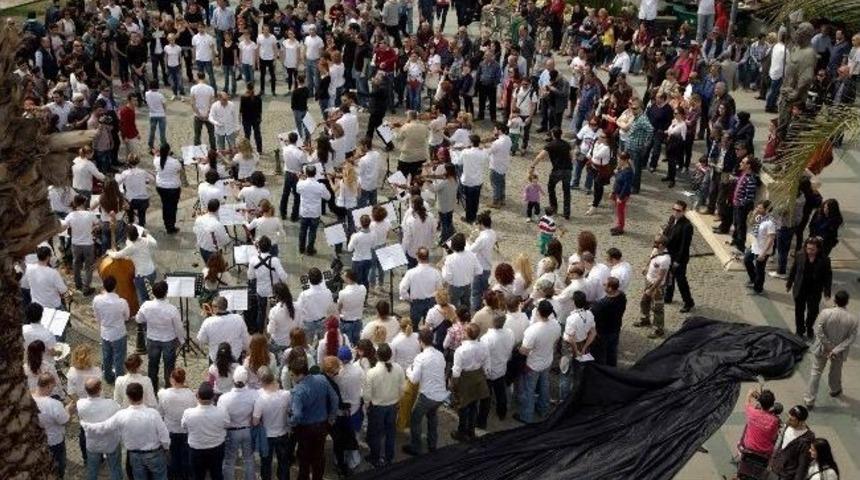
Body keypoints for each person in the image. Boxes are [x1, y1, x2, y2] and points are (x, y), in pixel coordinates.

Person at [82, 382, 171, 480]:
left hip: (135, 456)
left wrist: (86, 425)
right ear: (142, 395)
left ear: (128, 397)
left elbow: (103, 427)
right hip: (154, 453)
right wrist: (166, 448)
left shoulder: (122, 415)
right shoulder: (154, 414)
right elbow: (164, 435)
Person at [288, 355, 339, 480]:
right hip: (322, 425)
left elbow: (297, 415)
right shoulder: (322, 379)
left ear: (300, 375)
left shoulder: (298, 391)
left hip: (305, 429)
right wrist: (332, 417)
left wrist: (291, 423)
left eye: (293, 375)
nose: (292, 377)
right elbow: (335, 398)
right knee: (319, 455)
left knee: (304, 458)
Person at [804, 290, 857, 408]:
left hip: (822, 348)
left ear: (835, 300)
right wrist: (835, 350)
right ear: (847, 302)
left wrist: (828, 346)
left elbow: (818, 330)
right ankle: (835, 389)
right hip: (839, 352)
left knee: (816, 372)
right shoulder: (853, 319)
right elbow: (851, 338)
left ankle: (809, 400)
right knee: (835, 371)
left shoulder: (825, 313)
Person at [402, 329, 448, 456]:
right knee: (432, 417)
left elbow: (414, 379)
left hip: (427, 396)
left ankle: (416, 447)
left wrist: (408, 370)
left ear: (420, 341)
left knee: (415, 419)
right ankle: (432, 444)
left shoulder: (420, 358)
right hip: (440, 394)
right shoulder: (440, 354)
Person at [516, 300, 561, 424]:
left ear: (538, 312)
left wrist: (518, 349)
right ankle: (544, 409)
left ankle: (526, 416)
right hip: (547, 360)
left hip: (533, 365)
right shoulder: (556, 325)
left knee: (529, 390)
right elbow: (556, 341)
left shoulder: (533, 330)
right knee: (544, 386)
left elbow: (524, 351)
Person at [136, 280, 184, 391]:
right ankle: (168, 389)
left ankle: (152, 389)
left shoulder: (146, 305)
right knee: (169, 366)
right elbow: (179, 327)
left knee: (152, 365)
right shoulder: (172, 309)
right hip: (168, 340)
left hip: (152, 338)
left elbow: (138, 319)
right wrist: (181, 340)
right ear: (166, 293)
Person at [364, 343, 405, 467]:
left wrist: (367, 405)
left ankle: (375, 458)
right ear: (390, 355)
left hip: (377, 407)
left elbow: (367, 395)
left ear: (377, 356)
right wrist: (398, 400)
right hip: (393, 405)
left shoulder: (372, 373)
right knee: (390, 433)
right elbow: (402, 388)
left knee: (376, 434)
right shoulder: (398, 368)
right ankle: (389, 457)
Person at [787, 237, 833, 338]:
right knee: (799, 311)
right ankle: (799, 330)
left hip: (814, 290)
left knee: (813, 311)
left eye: (812, 249)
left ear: (818, 249)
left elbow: (828, 276)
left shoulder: (825, 260)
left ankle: (809, 327)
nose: (809, 251)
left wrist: (827, 292)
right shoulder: (800, 255)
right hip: (800, 288)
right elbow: (794, 270)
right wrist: (789, 284)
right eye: (808, 248)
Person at [218, 366, 258, 480]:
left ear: (233, 380)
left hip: (232, 431)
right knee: (249, 459)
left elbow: (222, 419)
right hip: (248, 430)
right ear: (246, 380)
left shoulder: (224, 398)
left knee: (229, 461)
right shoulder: (254, 394)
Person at [77, 378, 122, 480]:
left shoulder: (80, 404)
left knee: (92, 469)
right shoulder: (110, 404)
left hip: (92, 442)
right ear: (100, 389)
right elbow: (119, 415)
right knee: (115, 468)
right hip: (111, 442)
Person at [182, 382, 228, 479]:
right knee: (217, 474)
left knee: (198, 476)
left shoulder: (188, 413)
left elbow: (184, 426)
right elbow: (227, 424)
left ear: (197, 396)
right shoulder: (221, 412)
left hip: (196, 449)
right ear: (213, 397)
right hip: (216, 448)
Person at [157, 368, 196, 480]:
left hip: (170, 430)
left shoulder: (164, 394)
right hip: (185, 431)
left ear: (172, 380)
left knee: (172, 457)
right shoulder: (191, 394)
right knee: (185, 457)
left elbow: (160, 412)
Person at [253, 366, 291, 480]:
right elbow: (290, 410)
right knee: (284, 463)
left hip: (266, 436)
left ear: (261, 381)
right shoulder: (286, 395)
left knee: (266, 463)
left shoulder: (260, 399)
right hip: (283, 434)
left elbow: (255, 422)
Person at [477, 314, 513, 428]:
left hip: (489, 371)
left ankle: (482, 421)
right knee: (501, 393)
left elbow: (482, 356)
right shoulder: (509, 333)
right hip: (502, 368)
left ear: (492, 322)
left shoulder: (487, 338)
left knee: (486, 398)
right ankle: (502, 413)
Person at [93, 276, 130, 384]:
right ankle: (119, 381)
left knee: (106, 356)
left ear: (103, 286)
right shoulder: (122, 302)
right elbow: (127, 317)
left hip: (105, 332)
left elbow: (97, 316)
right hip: (119, 333)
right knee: (119, 358)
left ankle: (108, 377)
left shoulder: (97, 300)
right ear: (115, 287)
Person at [34, 374, 72, 479]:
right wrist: (68, 410)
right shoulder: (54, 404)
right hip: (54, 441)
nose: (52, 390)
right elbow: (65, 421)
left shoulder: (28, 398)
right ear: (48, 386)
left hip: (37, 441)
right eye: (52, 387)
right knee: (59, 466)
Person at [529, 128, 572, 220]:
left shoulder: (550, 145)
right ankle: (567, 213)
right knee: (567, 191)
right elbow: (571, 156)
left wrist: (532, 166)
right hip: (568, 170)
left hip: (557, 170)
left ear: (552, 134)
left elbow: (539, 157)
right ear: (561, 134)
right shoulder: (566, 144)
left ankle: (554, 208)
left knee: (551, 187)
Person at [248, 236, 288, 334]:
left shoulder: (253, 260)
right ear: (270, 247)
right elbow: (283, 276)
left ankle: (260, 332)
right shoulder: (274, 260)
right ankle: (274, 329)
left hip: (260, 290)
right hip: (273, 292)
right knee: (275, 311)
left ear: (258, 247)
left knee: (261, 312)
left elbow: (250, 276)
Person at [61, 194, 99, 295]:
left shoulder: (71, 215)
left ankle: (78, 284)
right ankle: (86, 288)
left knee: (76, 264)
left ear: (75, 203)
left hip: (75, 243)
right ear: (84, 202)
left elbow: (64, 225)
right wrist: (92, 228)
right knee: (88, 266)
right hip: (88, 243)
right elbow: (98, 224)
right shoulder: (90, 214)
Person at [737, 388, 780, 477]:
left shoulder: (752, 412)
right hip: (764, 452)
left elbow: (747, 403)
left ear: (759, 403)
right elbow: (774, 436)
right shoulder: (774, 421)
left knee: (739, 443)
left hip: (748, 448)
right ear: (772, 405)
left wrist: (749, 394)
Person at [634, 235, 671, 338]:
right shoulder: (656, 250)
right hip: (648, 280)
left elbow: (660, 278)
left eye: (656, 242)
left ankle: (659, 329)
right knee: (644, 301)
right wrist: (646, 267)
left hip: (657, 286)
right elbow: (651, 259)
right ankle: (645, 319)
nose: (654, 243)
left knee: (657, 308)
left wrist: (651, 290)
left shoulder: (665, 259)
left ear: (661, 245)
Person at [399, 247, 444, 331]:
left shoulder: (411, 272)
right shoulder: (435, 272)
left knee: (414, 327)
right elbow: (440, 289)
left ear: (417, 257)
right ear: (428, 257)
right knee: (429, 327)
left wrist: (408, 298)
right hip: (431, 301)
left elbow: (402, 288)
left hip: (416, 303)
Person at [663, 200, 695, 311]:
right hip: (669, 254)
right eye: (674, 209)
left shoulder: (687, 226)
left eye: (678, 210)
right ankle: (668, 296)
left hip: (679, 257)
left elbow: (684, 246)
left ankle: (688, 302)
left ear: (684, 211)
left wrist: (677, 261)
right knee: (669, 277)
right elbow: (667, 232)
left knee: (681, 280)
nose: (675, 212)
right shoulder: (672, 219)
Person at [197, 296, 250, 363]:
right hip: (235, 357)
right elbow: (245, 339)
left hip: (216, 358)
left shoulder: (208, 321)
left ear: (215, 307)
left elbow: (201, 339)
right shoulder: (238, 318)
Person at [768, 405, 814, 479]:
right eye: (788, 417)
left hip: (787, 475)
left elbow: (803, 465)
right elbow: (779, 445)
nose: (788, 421)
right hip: (775, 468)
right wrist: (772, 461)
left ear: (801, 422)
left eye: (792, 420)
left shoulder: (806, 441)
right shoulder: (787, 426)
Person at [591, 277, 627, 366]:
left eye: (605, 285)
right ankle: (612, 368)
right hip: (616, 328)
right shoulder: (622, 296)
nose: (603, 285)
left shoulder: (601, 304)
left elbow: (594, 318)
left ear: (610, 289)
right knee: (612, 352)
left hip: (603, 332)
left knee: (600, 354)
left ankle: (602, 370)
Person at [296, 165, 331, 256]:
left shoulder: (301, 183)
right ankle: (310, 249)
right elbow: (328, 197)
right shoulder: (320, 186)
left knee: (302, 231)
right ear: (315, 174)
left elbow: (297, 190)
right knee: (312, 232)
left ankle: (301, 248)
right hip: (315, 213)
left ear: (306, 173)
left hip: (304, 211)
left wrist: (300, 179)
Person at [743, 200, 777, 296]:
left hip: (763, 249)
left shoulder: (770, 222)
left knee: (760, 269)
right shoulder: (759, 217)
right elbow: (750, 224)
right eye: (757, 207)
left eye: (760, 208)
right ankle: (753, 279)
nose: (758, 209)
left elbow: (771, 238)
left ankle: (758, 289)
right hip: (754, 246)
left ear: (767, 210)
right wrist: (753, 214)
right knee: (747, 260)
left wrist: (763, 253)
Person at [442, 233, 483, 310]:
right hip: (467, 286)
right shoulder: (471, 255)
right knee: (466, 307)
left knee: (453, 308)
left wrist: (443, 267)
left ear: (452, 246)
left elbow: (447, 277)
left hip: (454, 287)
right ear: (464, 244)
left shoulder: (450, 259)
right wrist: (470, 274)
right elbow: (479, 271)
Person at [295, 267, 334, 342]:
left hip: (308, 324)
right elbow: (330, 306)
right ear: (321, 279)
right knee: (324, 343)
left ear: (309, 280)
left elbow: (298, 309)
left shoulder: (304, 295)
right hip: (323, 321)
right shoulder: (328, 292)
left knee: (307, 344)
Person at [154, 144, 183, 234]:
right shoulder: (174, 162)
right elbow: (179, 169)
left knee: (165, 205)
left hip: (161, 187)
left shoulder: (157, 160)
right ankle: (171, 226)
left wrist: (156, 154)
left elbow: (155, 158)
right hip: (173, 188)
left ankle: (167, 224)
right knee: (173, 207)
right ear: (169, 151)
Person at [194, 199, 230, 264]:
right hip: (213, 252)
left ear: (207, 208)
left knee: (208, 264)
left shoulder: (198, 219)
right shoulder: (218, 225)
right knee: (215, 268)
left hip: (202, 249)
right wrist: (227, 235)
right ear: (218, 209)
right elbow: (225, 241)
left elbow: (195, 231)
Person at [190, 72, 217, 150]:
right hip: (209, 115)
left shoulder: (193, 88)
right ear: (204, 78)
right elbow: (212, 102)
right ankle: (213, 150)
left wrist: (199, 114)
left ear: (197, 77)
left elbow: (192, 103)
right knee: (211, 134)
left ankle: (197, 151)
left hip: (198, 116)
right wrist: (208, 113)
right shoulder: (210, 89)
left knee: (197, 135)